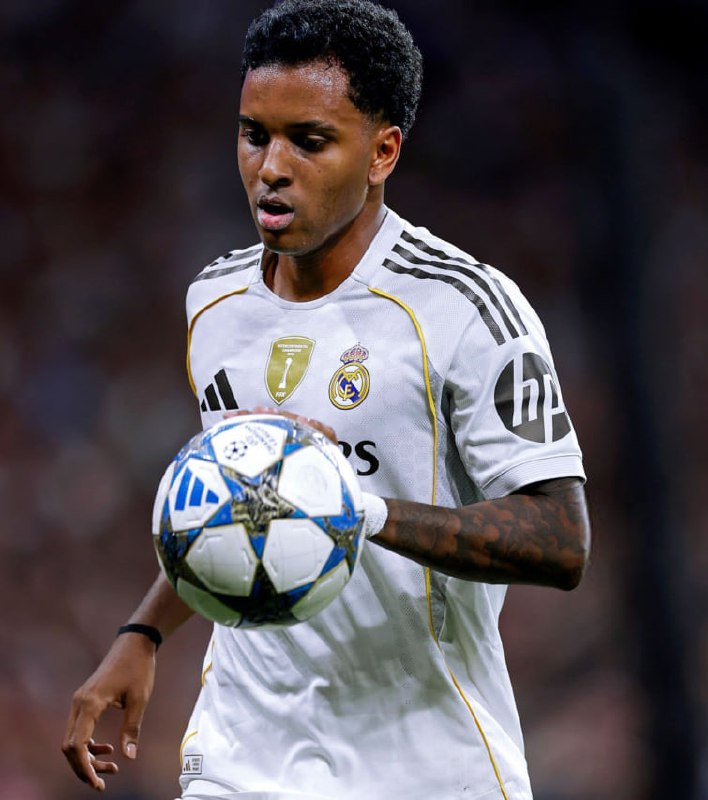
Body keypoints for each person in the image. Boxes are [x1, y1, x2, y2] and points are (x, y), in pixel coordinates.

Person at [62, 1, 591, 798]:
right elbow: (243, 505)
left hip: (425, 756)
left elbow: (561, 540)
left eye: (309, 141)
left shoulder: (464, 307)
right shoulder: (214, 303)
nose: (271, 167)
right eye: (254, 135)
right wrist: (142, 631)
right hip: (246, 747)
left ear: (382, 152)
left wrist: (357, 510)